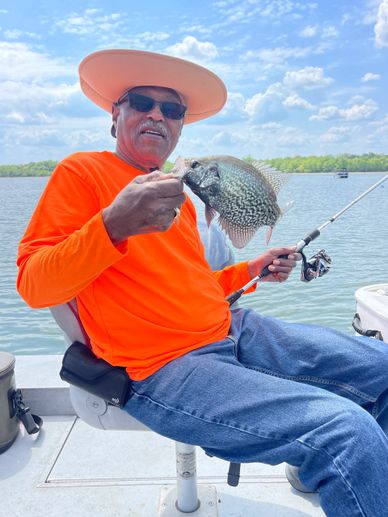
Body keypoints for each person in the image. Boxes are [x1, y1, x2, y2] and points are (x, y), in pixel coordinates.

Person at [16, 49, 388, 517]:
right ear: (116, 114)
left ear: (180, 126)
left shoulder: (182, 199)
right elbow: (33, 284)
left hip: (231, 327)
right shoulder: (82, 172)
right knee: (345, 434)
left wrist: (250, 270)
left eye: (171, 109)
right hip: (160, 367)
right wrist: (112, 225)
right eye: (141, 103)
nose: (157, 115)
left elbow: (194, 285)